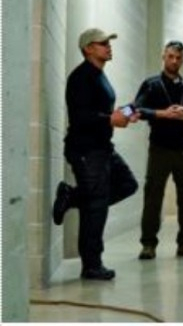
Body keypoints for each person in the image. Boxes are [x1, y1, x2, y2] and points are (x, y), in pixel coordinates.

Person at [52, 28, 139, 280]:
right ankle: (91, 265)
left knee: (127, 184)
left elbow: (102, 111)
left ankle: (72, 196)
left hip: (102, 147)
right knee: (96, 206)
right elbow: (80, 116)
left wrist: (126, 112)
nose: (108, 46)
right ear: (88, 48)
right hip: (85, 149)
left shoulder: (100, 75)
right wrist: (110, 119)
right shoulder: (81, 77)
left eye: (109, 42)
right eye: (103, 43)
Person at [133, 41, 183, 260]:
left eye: (178, 58)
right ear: (163, 56)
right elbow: (135, 109)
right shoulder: (151, 84)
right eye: (171, 56)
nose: (174, 61)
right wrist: (162, 114)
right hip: (159, 150)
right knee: (153, 197)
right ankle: (148, 244)